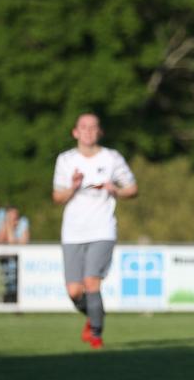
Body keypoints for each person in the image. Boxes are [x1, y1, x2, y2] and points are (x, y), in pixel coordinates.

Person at [53, 113, 138, 349]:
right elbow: (57, 197)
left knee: (91, 282)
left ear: (100, 132)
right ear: (75, 132)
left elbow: (132, 189)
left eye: (93, 127)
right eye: (84, 127)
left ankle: (96, 337)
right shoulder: (65, 160)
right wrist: (73, 187)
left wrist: (116, 190)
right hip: (73, 231)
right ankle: (95, 315)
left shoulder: (112, 158)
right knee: (74, 291)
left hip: (102, 229)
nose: (88, 131)